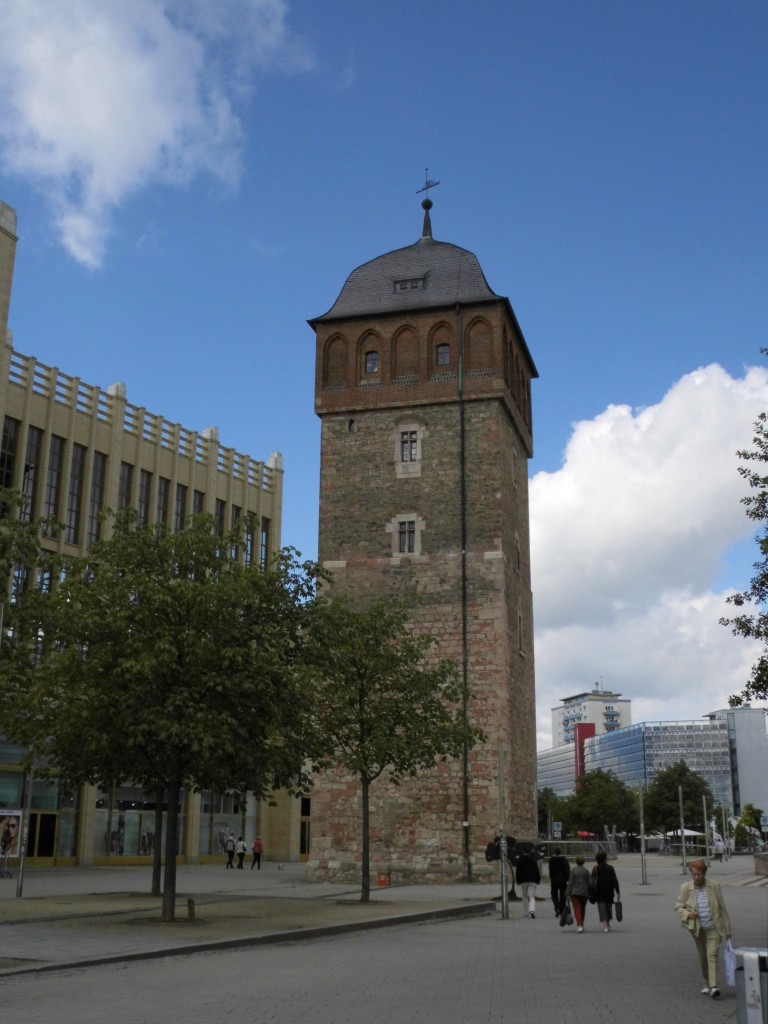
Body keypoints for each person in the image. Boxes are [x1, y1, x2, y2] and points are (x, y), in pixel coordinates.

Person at [675, 859, 732, 999]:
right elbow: (678, 907)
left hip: (714, 927)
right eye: (693, 874)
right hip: (697, 929)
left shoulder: (714, 886)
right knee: (703, 957)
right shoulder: (685, 888)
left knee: (711, 955)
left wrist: (728, 929)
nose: (696, 877)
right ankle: (707, 983)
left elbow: (722, 908)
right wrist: (689, 914)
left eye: (699, 874)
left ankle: (714, 986)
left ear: (704, 873)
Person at [591, 850, 620, 932]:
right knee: (608, 906)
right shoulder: (610, 868)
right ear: (605, 859)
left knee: (601, 907)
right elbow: (615, 880)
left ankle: (605, 925)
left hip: (599, 890)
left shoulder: (595, 868)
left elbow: (591, 880)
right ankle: (608, 922)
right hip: (609, 890)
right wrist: (618, 891)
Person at [565, 854, 591, 932]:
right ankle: (581, 923)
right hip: (584, 893)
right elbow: (590, 882)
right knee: (582, 909)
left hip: (574, 893)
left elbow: (570, 883)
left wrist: (567, 892)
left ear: (576, 862)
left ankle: (579, 925)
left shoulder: (573, 870)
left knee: (577, 909)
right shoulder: (586, 871)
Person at [515, 846, 541, 918]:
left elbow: (518, 871)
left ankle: (526, 912)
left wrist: (518, 880)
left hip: (523, 880)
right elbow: (537, 870)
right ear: (529, 852)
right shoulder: (533, 860)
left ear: (523, 852)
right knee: (532, 896)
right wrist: (538, 880)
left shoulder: (520, 860)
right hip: (532, 880)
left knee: (525, 896)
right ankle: (532, 910)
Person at [548, 846, 570, 918]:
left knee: (554, 894)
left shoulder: (552, 859)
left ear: (554, 852)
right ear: (560, 852)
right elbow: (567, 869)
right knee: (563, 895)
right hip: (563, 880)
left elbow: (550, 869)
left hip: (554, 880)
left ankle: (557, 906)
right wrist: (568, 878)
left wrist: (551, 877)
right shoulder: (564, 859)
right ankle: (561, 909)